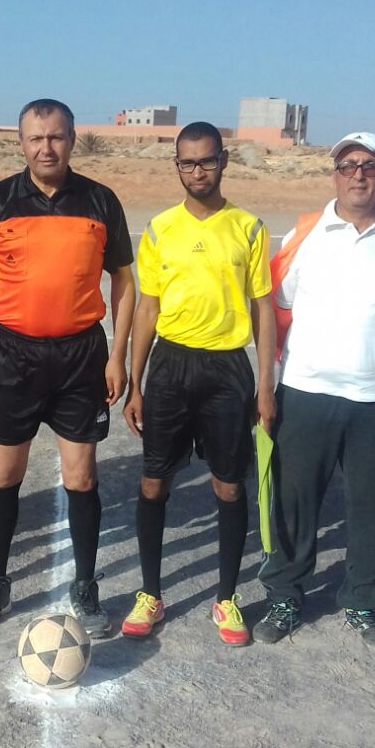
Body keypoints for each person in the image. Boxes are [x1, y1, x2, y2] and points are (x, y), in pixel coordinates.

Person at [0, 99, 135, 636]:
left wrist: (118, 356)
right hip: (12, 357)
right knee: (4, 475)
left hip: (81, 358)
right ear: (21, 143)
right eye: (35, 138)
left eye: (56, 137)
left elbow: (124, 281)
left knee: (82, 477)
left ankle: (85, 586)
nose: (46, 148)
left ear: (73, 140)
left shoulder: (100, 200)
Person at [254, 132, 375, 647]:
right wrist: (274, 379)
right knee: (293, 502)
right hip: (306, 391)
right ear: (333, 174)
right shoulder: (305, 233)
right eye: (348, 165)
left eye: (369, 166)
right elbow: (276, 307)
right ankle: (285, 596)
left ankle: (365, 601)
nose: (358, 175)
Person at [120, 122, 274, 645]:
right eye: (187, 162)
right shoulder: (160, 229)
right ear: (177, 166)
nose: (198, 171)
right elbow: (147, 308)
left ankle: (226, 599)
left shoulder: (249, 228)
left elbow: (263, 308)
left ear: (223, 161)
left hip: (228, 369)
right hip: (170, 367)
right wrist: (135, 383)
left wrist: (266, 384)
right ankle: (150, 593)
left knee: (228, 485)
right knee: (154, 482)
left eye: (207, 160)